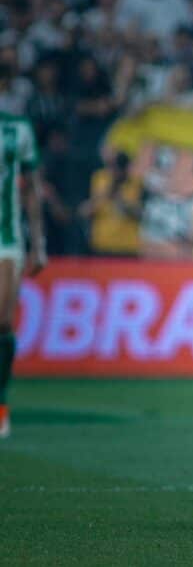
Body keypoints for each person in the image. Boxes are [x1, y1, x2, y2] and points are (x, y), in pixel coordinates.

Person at [0, 111, 46, 437]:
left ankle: (0, 404)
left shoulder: (17, 128)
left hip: (6, 238)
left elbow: (31, 187)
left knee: (2, 322)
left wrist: (38, 243)